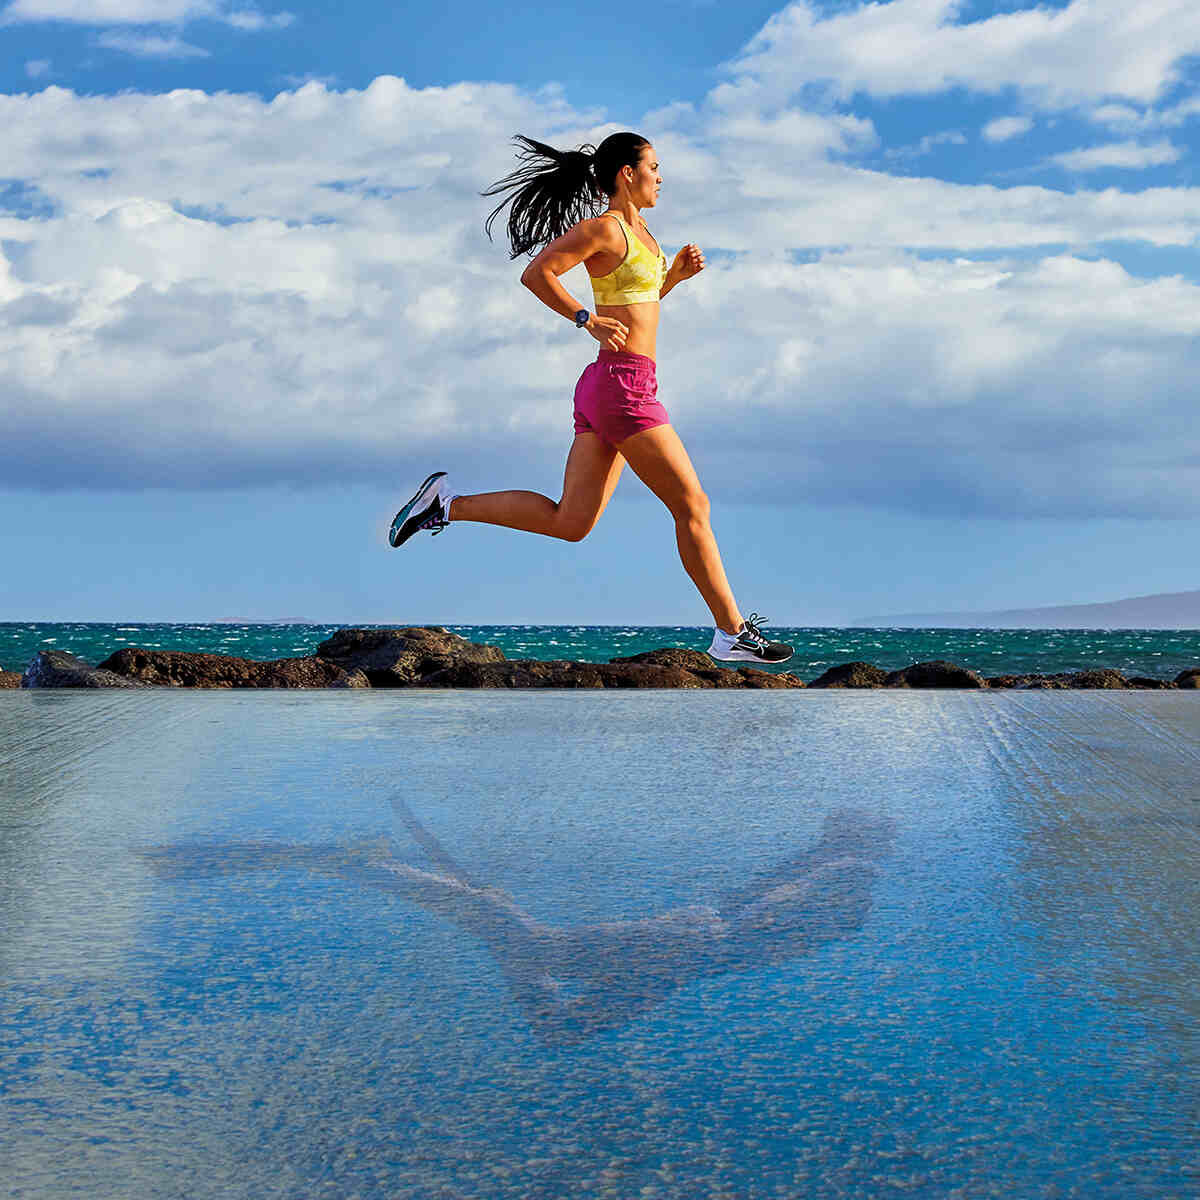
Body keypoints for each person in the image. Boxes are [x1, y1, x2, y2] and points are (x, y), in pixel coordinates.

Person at [388, 132, 793, 665]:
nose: (660, 177)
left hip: (618, 385)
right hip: (621, 387)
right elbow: (537, 273)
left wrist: (671, 279)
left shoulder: (643, 233)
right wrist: (584, 318)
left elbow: (637, 310)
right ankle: (732, 632)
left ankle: (445, 506)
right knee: (692, 504)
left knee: (571, 523)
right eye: (654, 167)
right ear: (627, 173)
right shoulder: (604, 227)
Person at [140, 802, 894, 1046]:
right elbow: (761, 916)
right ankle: (341, 861)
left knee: (557, 1030)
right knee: (525, 941)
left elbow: (763, 911)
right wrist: (731, 935)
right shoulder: (850, 874)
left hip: (688, 956)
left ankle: (486, 917)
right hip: (691, 946)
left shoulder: (840, 871)